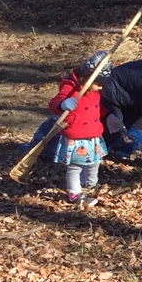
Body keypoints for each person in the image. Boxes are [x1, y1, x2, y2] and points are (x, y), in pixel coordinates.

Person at [49, 55, 108, 204]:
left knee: (95, 162)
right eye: (99, 84)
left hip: (93, 134)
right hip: (76, 136)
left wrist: (110, 116)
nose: (101, 88)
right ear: (89, 79)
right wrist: (63, 104)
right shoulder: (70, 88)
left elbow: (96, 109)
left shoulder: (96, 92)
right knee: (75, 167)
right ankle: (74, 193)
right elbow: (55, 103)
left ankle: (90, 183)